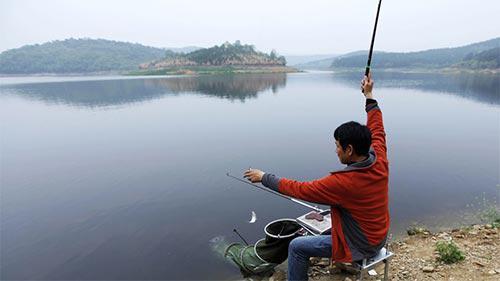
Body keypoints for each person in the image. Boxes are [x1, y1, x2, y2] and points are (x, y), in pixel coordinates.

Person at [244, 74, 389, 281]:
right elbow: (377, 127)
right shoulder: (379, 159)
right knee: (324, 229)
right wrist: (369, 95)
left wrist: (264, 177)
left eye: (337, 146)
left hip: (361, 244)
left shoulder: (343, 183)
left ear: (349, 150)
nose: (335, 150)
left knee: (296, 246)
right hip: (379, 235)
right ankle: (339, 265)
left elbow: (299, 189)